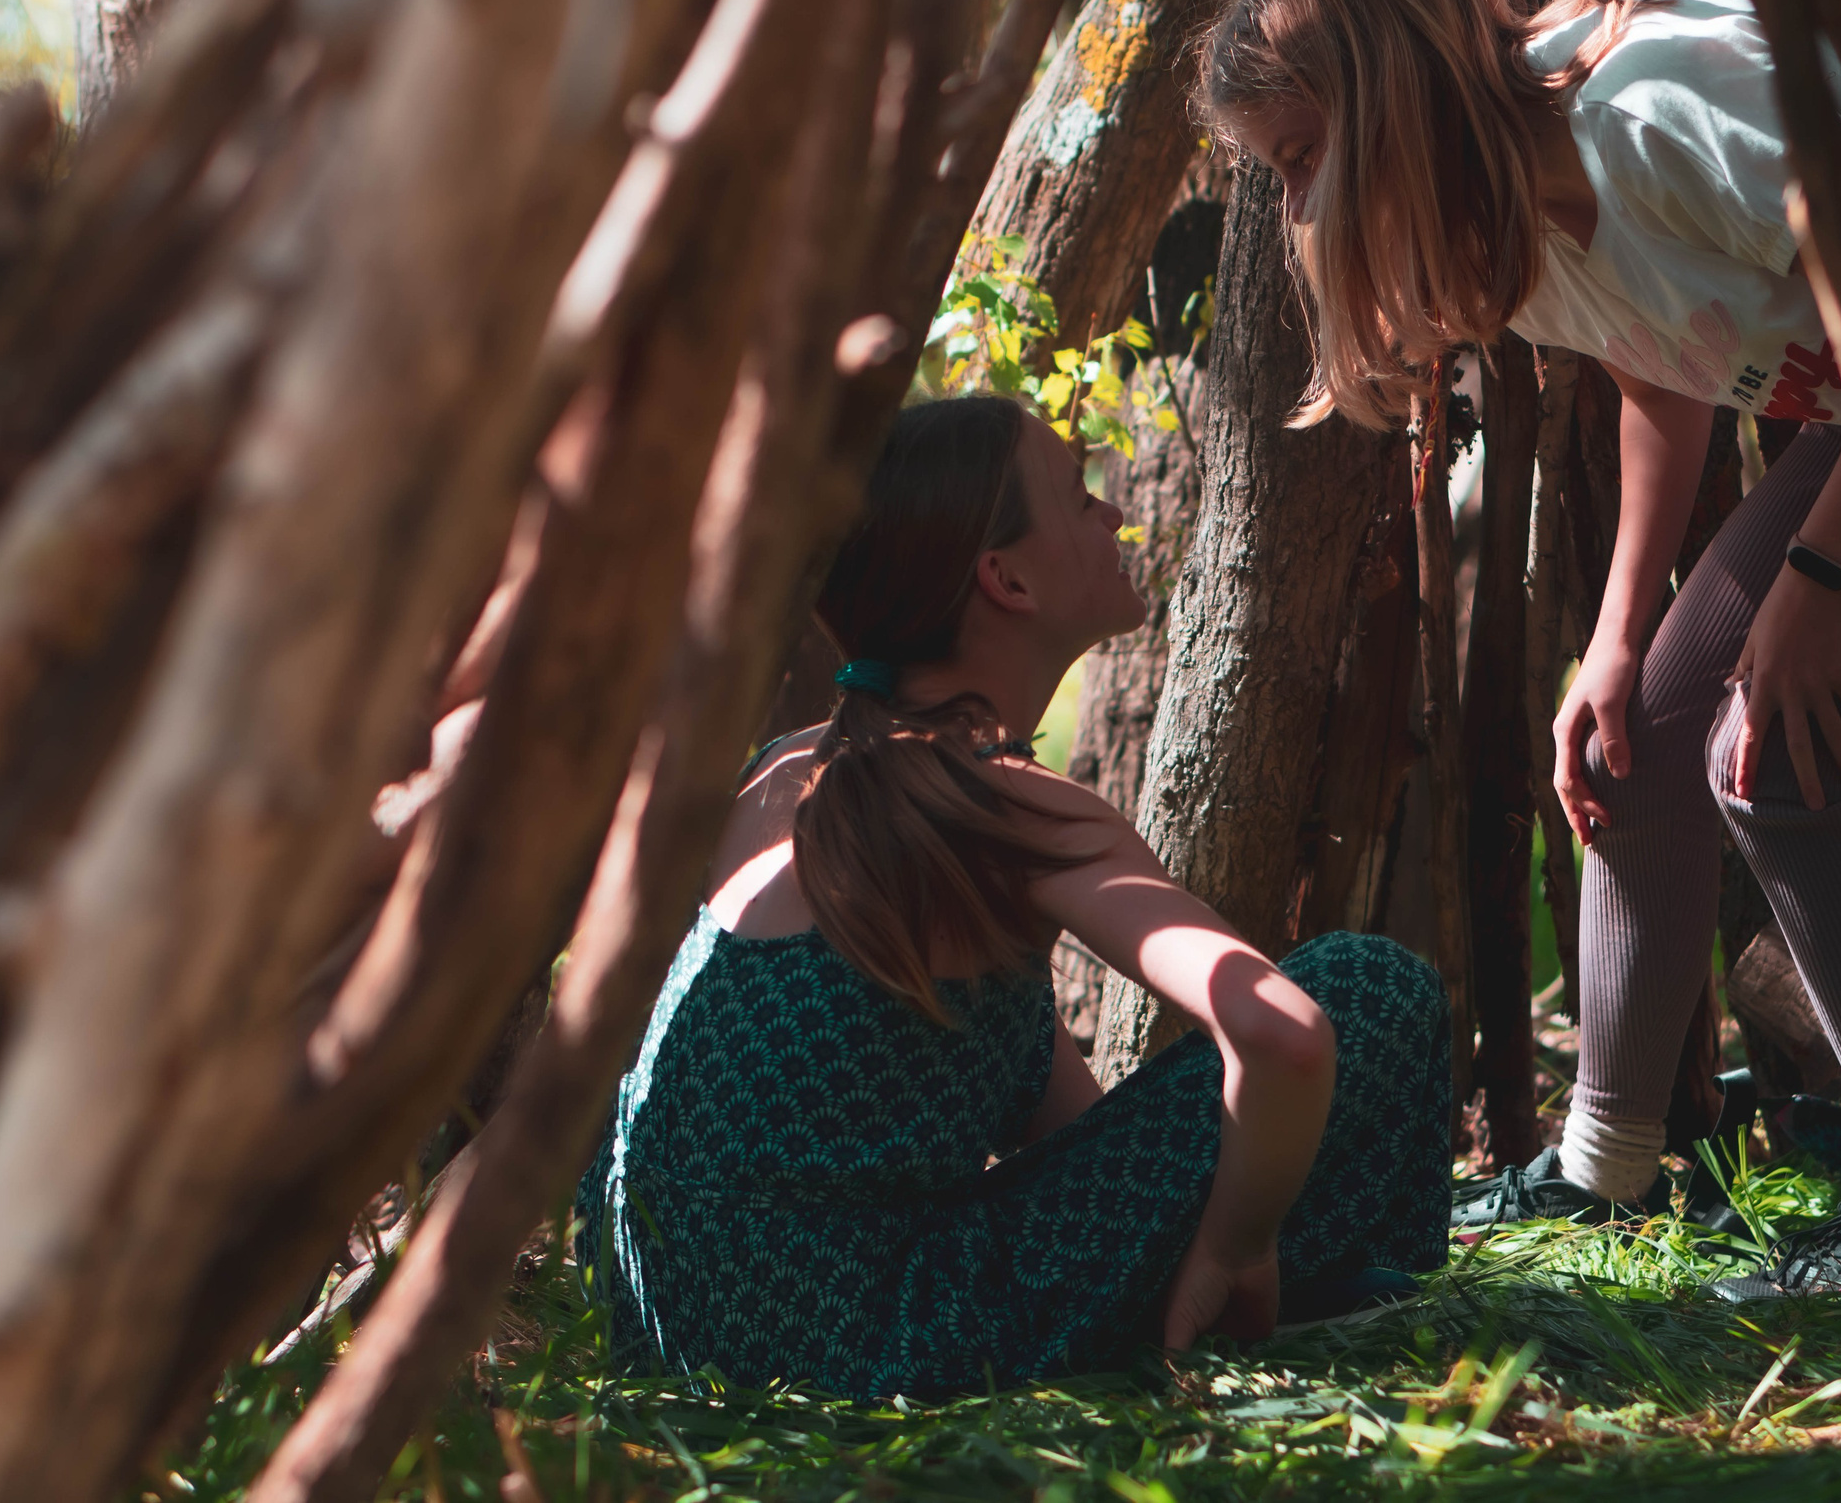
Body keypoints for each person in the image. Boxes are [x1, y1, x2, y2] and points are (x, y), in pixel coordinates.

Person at [1199, 0, 1841, 1299]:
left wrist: (1820, 578)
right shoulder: (1501, 208)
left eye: (1300, 162)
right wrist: (1616, 633)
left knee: (1775, 760)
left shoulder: (1656, 102)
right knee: (1639, 735)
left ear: (1385, 89)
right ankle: (1611, 1168)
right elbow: (1663, 357)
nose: (1297, 211)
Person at [579, 395, 1452, 1396]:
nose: (1113, 516)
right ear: (1004, 579)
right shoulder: (1001, 805)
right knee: (1371, 989)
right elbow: (1285, 1032)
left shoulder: (786, 771)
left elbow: (1043, 1123)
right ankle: (1300, 1301)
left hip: (664, 1326)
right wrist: (1234, 1244)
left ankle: (1291, 1291)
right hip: (864, 1342)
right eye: (1080, 499)